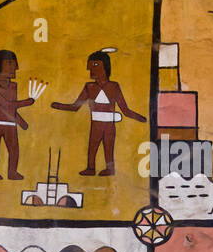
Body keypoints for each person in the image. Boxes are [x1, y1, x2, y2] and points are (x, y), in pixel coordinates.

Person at [51, 48, 146, 176]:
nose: (91, 70)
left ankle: (109, 168)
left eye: (95, 65)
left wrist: (141, 118)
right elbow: (75, 107)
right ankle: (91, 167)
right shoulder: (90, 87)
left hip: (109, 125)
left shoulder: (114, 86)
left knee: (108, 147)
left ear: (105, 66)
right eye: (90, 66)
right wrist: (58, 106)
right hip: (96, 124)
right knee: (92, 146)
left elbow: (125, 110)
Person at [0, 50, 36, 180]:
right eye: (10, 63)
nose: (16, 67)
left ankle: (12, 172)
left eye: (14, 63)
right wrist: (27, 102)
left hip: (10, 124)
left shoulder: (13, 86)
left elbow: (10, 109)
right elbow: (5, 104)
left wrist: (20, 122)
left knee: (14, 150)